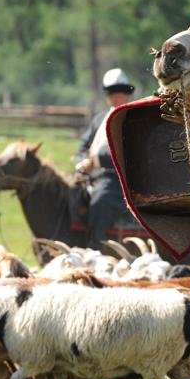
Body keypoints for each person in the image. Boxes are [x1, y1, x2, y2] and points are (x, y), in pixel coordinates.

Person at [75, 68, 135, 250]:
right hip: (94, 175)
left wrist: (96, 161)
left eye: (120, 92)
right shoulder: (99, 119)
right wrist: (83, 162)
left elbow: (128, 151)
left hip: (120, 177)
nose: (116, 97)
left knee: (102, 198)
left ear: (126, 94)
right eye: (112, 93)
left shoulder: (133, 117)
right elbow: (83, 146)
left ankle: (95, 245)